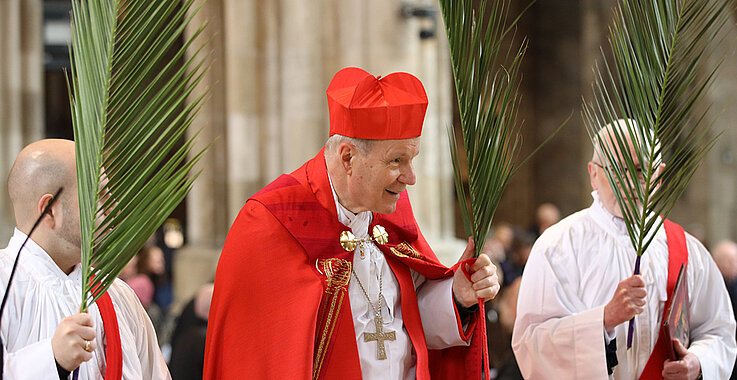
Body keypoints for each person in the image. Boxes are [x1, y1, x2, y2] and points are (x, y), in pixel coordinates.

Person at [204, 67, 500, 379]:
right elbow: (257, 359)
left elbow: (408, 322)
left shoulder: (389, 212)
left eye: (412, 159)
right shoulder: (272, 221)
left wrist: (456, 296)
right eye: (396, 161)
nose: (410, 178)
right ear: (348, 158)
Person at [512, 120, 736, 379]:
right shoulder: (557, 246)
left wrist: (698, 363)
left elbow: (718, 330)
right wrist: (604, 319)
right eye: (618, 169)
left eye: (640, 170)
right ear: (593, 174)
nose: (629, 182)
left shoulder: (689, 250)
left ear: (658, 175)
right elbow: (531, 343)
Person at [0, 139, 170, 379]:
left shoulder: (117, 294)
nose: (114, 210)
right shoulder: (4, 286)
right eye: (98, 196)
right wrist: (51, 360)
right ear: (50, 209)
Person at [712, 239, 737, 379]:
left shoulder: (734, 283)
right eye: (730, 260)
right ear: (717, 261)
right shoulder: (712, 285)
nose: (734, 265)